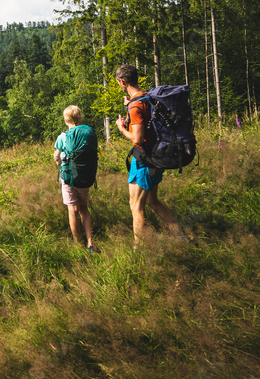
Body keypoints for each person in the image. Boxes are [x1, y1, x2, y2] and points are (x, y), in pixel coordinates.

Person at [114, 64, 183, 245]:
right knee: (153, 201)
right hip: (158, 155)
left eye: (118, 83)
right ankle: (180, 235)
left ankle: (140, 248)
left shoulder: (136, 107)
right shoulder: (148, 97)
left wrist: (122, 128)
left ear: (122, 81)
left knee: (136, 205)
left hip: (145, 159)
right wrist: (130, 104)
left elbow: (138, 138)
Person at [53, 105, 99, 252]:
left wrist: (57, 159)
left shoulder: (63, 137)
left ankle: (78, 243)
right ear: (79, 118)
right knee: (84, 209)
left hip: (68, 179)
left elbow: (56, 157)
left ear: (66, 120)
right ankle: (90, 243)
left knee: (72, 209)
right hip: (85, 177)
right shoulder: (89, 134)